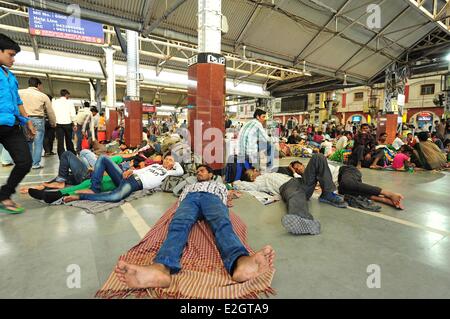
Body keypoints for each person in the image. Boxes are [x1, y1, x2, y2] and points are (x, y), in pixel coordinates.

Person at [115, 165, 275, 288]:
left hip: (212, 198)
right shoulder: (189, 185)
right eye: (198, 171)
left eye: (203, 170)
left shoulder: (219, 184)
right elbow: (174, 189)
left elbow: (231, 192)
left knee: (222, 223)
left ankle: (240, 262)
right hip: (189, 200)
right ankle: (161, 268)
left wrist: (230, 194)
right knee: (178, 225)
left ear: (211, 174)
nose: (199, 172)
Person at [235, 154, 346, 235]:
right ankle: (304, 220)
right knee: (295, 195)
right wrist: (231, 185)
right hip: (287, 186)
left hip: (300, 182)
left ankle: (327, 194)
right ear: (251, 177)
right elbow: (241, 184)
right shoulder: (258, 181)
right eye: (252, 172)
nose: (255, 170)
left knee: (318, 157)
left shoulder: (267, 173)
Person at [0, 34, 35, 214]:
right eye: (10, 54)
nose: (13, 59)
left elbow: (18, 101)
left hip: (11, 125)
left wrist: (27, 120)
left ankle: (4, 194)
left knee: (25, 162)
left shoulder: (10, 75)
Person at [64, 154, 183, 203]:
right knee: (103, 158)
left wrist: (175, 163)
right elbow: (142, 170)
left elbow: (180, 171)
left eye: (170, 160)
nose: (167, 161)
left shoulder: (169, 173)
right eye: (166, 159)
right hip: (129, 176)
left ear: (173, 164)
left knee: (116, 196)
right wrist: (131, 170)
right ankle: (94, 188)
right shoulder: (156, 165)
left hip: (135, 183)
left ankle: (80, 196)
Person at [19, 77, 56, 169]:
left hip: (24, 119)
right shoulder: (42, 96)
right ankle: (35, 164)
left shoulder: (19, 92)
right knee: (38, 142)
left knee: (28, 142)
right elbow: (50, 111)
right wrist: (53, 122)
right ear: (38, 85)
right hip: (38, 119)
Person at [338, 165, 404, 209]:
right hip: (342, 185)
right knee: (343, 192)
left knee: (347, 183)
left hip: (347, 170)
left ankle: (388, 193)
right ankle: (383, 199)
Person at [53, 89, 76, 157]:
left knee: (60, 141)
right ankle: (71, 153)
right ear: (66, 94)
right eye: (68, 95)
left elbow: (53, 113)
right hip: (67, 123)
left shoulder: (55, 102)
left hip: (58, 124)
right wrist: (74, 123)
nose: (69, 96)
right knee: (69, 139)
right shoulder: (70, 102)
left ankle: (61, 155)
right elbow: (72, 114)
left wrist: (54, 122)